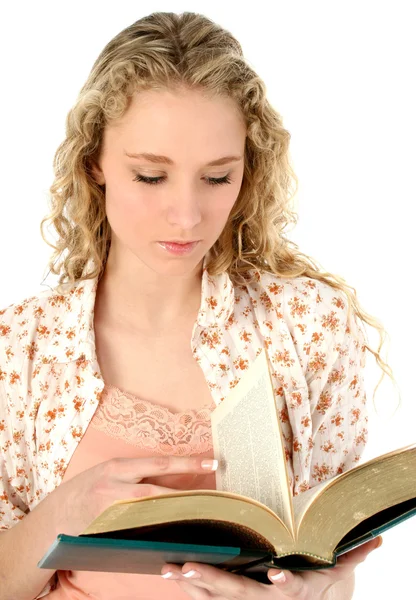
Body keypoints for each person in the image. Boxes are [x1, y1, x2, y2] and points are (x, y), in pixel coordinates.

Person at [0, 11, 393, 600]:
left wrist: (310, 593)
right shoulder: (20, 344)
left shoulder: (309, 324)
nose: (186, 217)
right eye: (151, 176)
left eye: (216, 177)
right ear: (94, 164)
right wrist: (66, 507)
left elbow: (326, 561)